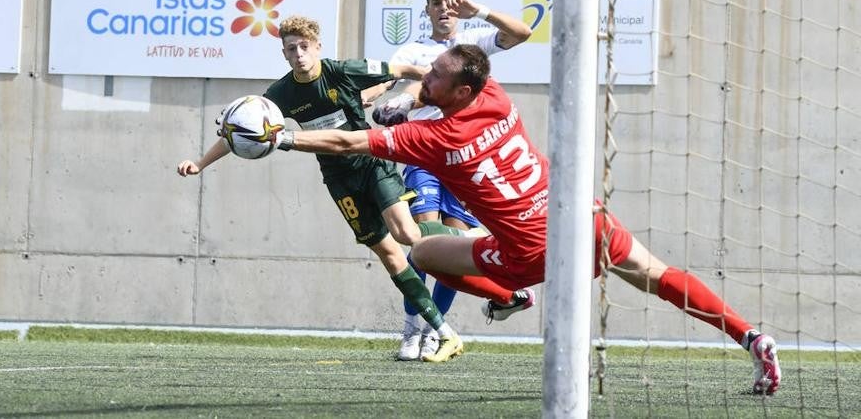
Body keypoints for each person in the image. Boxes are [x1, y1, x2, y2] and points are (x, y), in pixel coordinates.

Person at [271, 44, 783, 395]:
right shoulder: (495, 96)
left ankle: (509, 295)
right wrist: (409, 98)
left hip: (532, 252)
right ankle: (752, 338)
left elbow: (345, 141)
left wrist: (283, 137)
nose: (425, 78)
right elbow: (437, 87)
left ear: (462, 92)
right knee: (658, 276)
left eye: (435, 77)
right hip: (584, 217)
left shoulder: (436, 140)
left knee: (424, 251)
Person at [176, 15, 525, 363]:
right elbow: (239, 134)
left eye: (304, 47)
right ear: (284, 54)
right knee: (390, 257)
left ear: (317, 48)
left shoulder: (342, 70)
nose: (298, 54)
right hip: (339, 179)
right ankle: (442, 332)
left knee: (408, 234)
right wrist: (201, 163)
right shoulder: (279, 94)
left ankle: (471, 241)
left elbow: (400, 69)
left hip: (372, 161)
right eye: (291, 49)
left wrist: (428, 94)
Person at [376, 0, 532, 361]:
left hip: (468, 157)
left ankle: (435, 330)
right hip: (427, 151)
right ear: (426, 10)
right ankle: (412, 328)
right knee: (423, 238)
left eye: (451, 3)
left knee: (458, 245)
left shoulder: (474, 42)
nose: (444, 9)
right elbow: (387, 85)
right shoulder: (413, 50)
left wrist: (478, 9)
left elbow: (523, 32)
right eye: (436, 3)